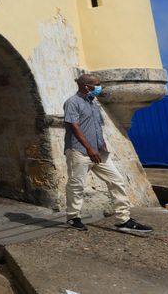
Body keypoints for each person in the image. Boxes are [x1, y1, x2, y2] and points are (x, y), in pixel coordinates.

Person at [63, 73, 153, 235]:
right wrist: (89, 148)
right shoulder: (72, 102)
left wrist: (101, 144)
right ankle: (73, 217)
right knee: (77, 185)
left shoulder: (93, 104)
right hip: (79, 151)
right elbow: (74, 126)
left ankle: (124, 219)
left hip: (99, 152)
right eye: (97, 85)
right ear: (86, 86)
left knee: (117, 180)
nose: (100, 87)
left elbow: (97, 126)